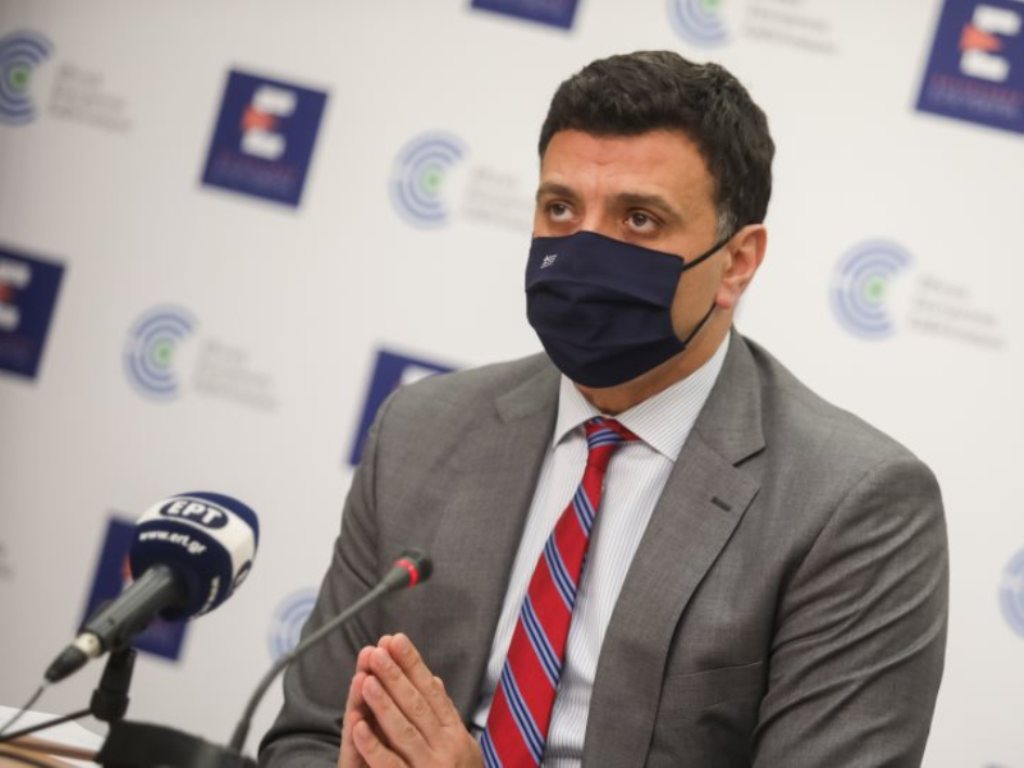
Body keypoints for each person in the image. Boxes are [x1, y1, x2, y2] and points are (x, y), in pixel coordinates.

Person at [259, 51, 948, 767]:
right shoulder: (423, 429)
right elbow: (310, 736)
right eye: (560, 209)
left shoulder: (851, 505)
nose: (585, 250)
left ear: (737, 262)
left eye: (640, 220)